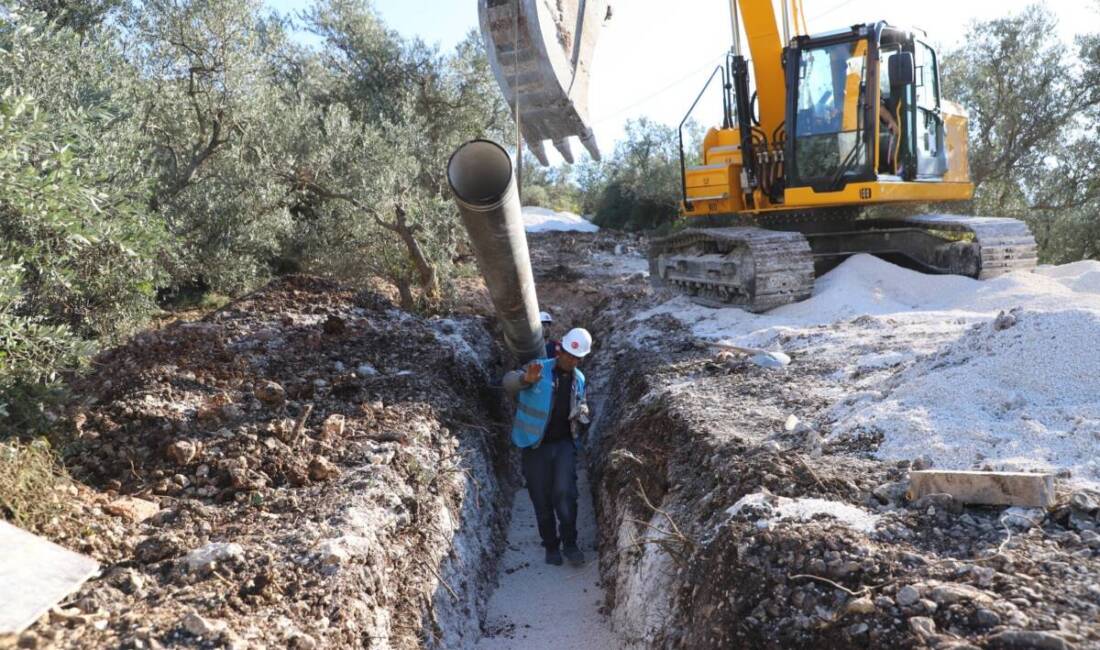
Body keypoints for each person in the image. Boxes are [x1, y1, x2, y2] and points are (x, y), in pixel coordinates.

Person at [503, 327, 593, 566]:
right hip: (534, 445)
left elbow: (580, 402)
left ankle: (570, 544)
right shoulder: (537, 368)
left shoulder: (580, 379)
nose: (571, 360)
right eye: (567, 354)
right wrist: (525, 379)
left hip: (564, 444)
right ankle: (551, 545)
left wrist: (582, 412)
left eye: (576, 357)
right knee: (541, 497)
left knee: (565, 493)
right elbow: (508, 383)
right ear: (559, 348)